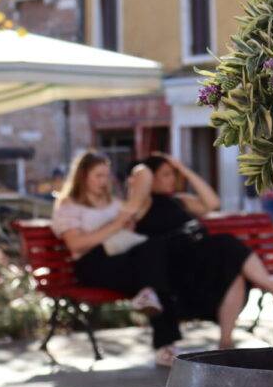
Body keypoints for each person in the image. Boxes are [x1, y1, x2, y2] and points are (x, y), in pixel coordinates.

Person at [134, 154, 273, 362]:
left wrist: (183, 169)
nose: (171, 179)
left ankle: (225, 342)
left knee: (235, 274)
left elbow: (212, 202)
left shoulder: (180, 200)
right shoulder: (143, 204)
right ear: (151, 178)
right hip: (178, 266)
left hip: (204, 259)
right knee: (227, 243)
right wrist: (144, 175)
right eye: (165, 175)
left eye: (173, 175)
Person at [50, 151, 181, 364]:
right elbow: (76, 244)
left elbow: (129, 226)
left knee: (156, 257)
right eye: (98, 176)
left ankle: (166, 346)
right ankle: (166, 345)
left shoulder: (114, 203)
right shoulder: (69, 205)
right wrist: (115, 226)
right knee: (154, 278)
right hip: (91, 263)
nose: (104, 181)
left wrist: (125, 224)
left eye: (106, 175)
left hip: (123, 261)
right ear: (83, 177)